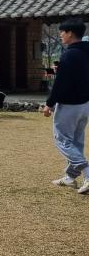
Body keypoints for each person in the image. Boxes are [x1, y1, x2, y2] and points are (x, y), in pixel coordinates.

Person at [43, 19, 89, 193]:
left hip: (69, 104)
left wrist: (49, 104)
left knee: (63, 140)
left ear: (70, 33)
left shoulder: (69, 55)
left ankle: (87, 173)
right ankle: (70, 177)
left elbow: (61, 83)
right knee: (76, 142)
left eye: (62, 32)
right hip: (85, 104)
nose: (60, 35)